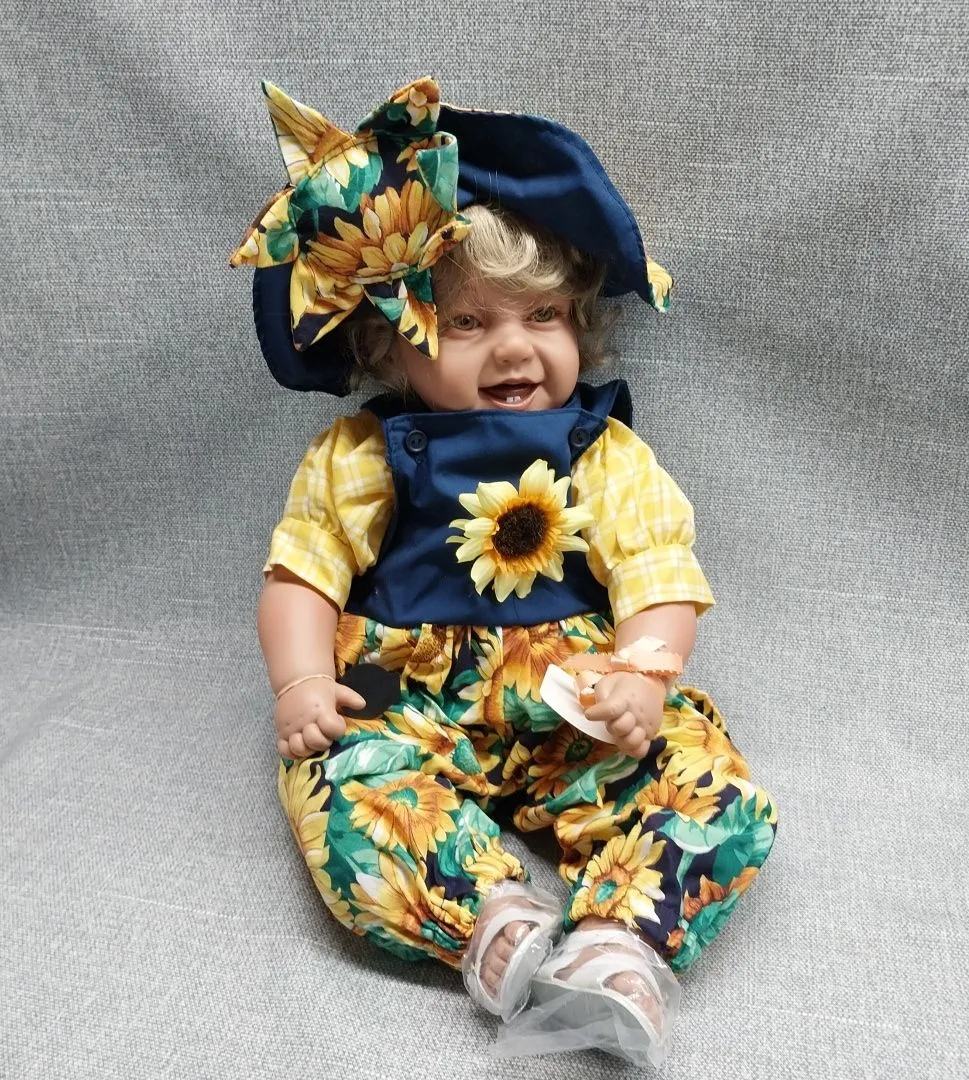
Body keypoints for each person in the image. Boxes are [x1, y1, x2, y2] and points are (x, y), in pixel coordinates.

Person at [230, 76, 778, 1067]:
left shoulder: (602, 455)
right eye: (467, 324)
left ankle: (621, 946)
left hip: (574, 700)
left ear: (581, 324)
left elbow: (657, 572)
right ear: (389, 345)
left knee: (707, 775)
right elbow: (302, 575)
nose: (515, 348)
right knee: (337, 779)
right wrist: (303, 681)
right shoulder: (362, 456)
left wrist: (644, 672)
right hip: (405, 697)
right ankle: (491, 926)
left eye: (544, 316)